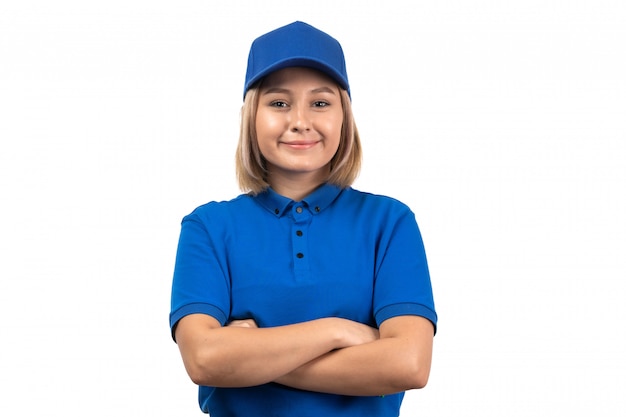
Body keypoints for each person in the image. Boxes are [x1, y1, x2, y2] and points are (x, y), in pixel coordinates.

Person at [169, 21, 437, 416]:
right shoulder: (208, 227)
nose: (300, 120)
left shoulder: (389, 223)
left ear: (344, 115)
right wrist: (339, 331)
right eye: (279, 103)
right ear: (251, 116)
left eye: (320, 102)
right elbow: (205, 360)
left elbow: (409, 364)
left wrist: (247, 357)